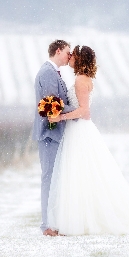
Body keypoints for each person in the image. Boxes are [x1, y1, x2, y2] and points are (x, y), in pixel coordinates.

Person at [46, 45, 129, 235]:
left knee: (78, 173)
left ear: (79, 60)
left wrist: (60, 117)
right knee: (80, 174)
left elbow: (84, 112)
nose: (69, 57)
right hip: (78, 129)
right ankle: (77, 220)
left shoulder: (81, 80)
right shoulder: (83, 78)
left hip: (79, 130)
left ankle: (78, 223)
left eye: (73, 55)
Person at [32, 40, 85, 236]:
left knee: (56, 180)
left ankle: (54, 222)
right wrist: (79, 111)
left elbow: (57, 103)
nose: (69, 56)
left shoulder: (53, 72)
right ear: (58, 50)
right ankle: (47, 225)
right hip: (49, 133)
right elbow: (53, 103)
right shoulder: (47, 72)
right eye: (67, 52)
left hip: (55, 133)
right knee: (49, 179)